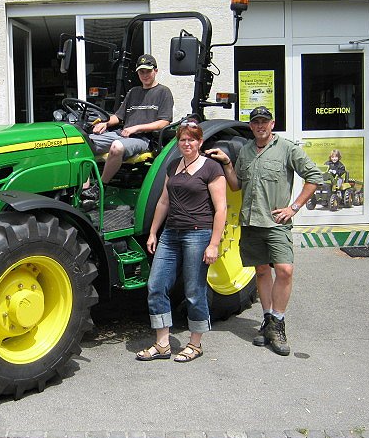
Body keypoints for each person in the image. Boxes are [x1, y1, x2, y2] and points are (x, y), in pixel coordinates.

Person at [205, 106, 323, 356]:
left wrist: (294, 208)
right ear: (251, 126)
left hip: (276, 223)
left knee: (284, 270)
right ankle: (267, 321)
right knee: (260, 271)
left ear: (272, 124)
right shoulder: (246, 151)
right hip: (251, 223)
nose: (260, 126)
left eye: (264, 122)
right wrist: (227, 163)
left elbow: (314, 176)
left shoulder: (287, 149)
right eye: (256, 122)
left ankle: (278, 323)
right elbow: (236, 186)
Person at [136, 120, 226, 363]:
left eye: (191, 139)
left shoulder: (211, 168)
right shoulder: (174, 165)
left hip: (198, 234)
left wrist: (214, 243)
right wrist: (154, 231)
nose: (187, 143)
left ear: (200, 142)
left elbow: (221, 209)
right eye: (183, 139)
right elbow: (164, 201)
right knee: (156, 285)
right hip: (171, 234)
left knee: (194, 290)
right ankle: (163, 343)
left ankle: (195, 344)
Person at [81, 54, 173, 202]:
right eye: (141, 72)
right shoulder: (133, 92)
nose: (145, 75)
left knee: (116, 147)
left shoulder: (163, 92)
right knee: (81, 141)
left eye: (148, 71)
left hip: (143, 139)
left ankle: (100, 188)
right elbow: (119, 117)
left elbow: (164, 122)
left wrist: (136, 128)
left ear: (155, 71)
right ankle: (83, 187)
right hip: (122, 133)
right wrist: (105, 123)